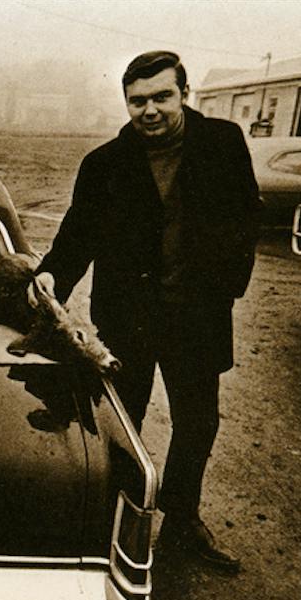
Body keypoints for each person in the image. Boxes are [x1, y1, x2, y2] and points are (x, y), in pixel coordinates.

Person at [34, 50, 261, 573]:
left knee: (197, 423)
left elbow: (247, 215)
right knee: (121, 424)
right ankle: (117, 520)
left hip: (197, 319)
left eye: (162, 96)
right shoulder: (104, 164)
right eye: (138, 101)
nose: (150, 110)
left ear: (184, 93)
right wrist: (52, 277)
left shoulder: (223, 143)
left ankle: (182, 521)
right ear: (127, 103)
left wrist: (228, 284)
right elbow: (78, 233)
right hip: (127, 321)